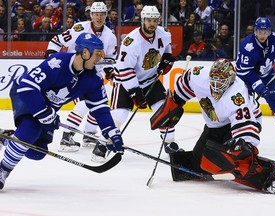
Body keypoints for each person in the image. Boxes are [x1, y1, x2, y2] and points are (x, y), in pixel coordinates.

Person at [0, 33, 124, 190]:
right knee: (30, 130)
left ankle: (8, 137)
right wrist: (44, 113)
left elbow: (100, 109)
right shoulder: (57, 62)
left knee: (37, 153)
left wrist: (111, 132)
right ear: (85, 52)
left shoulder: (93, 79)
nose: (99, 58)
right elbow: (27, 87)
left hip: (47, 107)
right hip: (26, 94)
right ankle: (3, 169)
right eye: (97, 54)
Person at [151, 58, 275, 193]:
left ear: (230, 81)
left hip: (246, 121)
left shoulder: (236, 95)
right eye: (214, 80)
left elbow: (245, 123)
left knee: (234, 160)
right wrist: (176, 102)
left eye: (221, 82)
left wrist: (244, 145)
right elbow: (186, 81)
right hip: (215, 124)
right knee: (199, 163)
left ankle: (270, 176)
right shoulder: (199, 75)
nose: (216, 86)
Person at [45, 1, 117, 160]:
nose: (99, 17)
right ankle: (67, 136)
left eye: (102, 14)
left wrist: (109, 70)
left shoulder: (110, 37)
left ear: (106, 15)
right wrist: (51, 58)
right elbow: (57, 41)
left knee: (100, 104)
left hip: (93, 77)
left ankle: (88, 134)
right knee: (85, 103)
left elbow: (110, 59)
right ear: (91, 15)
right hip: (75, 74)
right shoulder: (79, 28)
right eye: (96, 14)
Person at [111, 5, 182, 153]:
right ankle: (105, 142)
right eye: (149, 20)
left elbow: (167, 52)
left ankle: (169, 144)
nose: (152, 24)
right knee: (119, 115)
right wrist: (135, 92)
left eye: (155, 20)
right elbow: (125, 69)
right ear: (142, 20)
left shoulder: (163, 34)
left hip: (150, 80)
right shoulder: (131, 41)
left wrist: (167, 60)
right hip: (125, 82)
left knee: (165, 111)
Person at [235, 17, 275, 142]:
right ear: (255, 31)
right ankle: (241, 133)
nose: (262, 35)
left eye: (265, 32)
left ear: (269, 31)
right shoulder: (248, 46)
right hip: (245, 79)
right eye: (259, 31)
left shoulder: (274, 38)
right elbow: (245, 71)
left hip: (266, 74)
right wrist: (258, 86)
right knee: (245, 106)